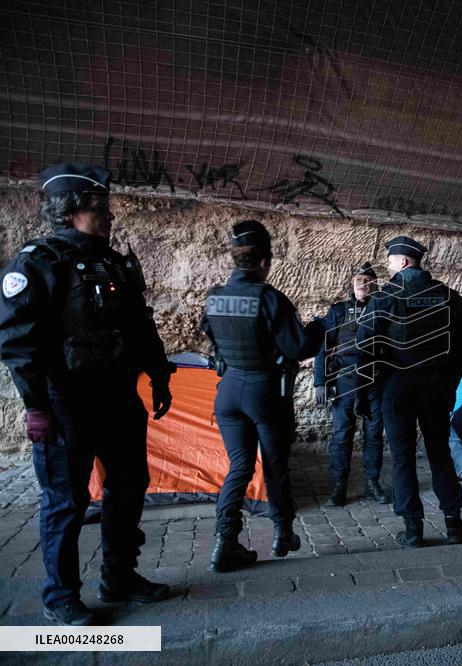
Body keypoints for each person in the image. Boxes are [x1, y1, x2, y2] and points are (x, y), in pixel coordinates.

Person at [0, 162, 174, 626]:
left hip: (118, 401)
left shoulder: (113, 261)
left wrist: (159, 376)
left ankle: (119, 577)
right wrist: (35, 405)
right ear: (72, 208)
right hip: (65, 407)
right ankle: (60, 597)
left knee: (128, 488)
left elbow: (140, 325)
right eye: (101, 206)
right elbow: (18, 342)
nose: (109, 214)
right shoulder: (37, 262)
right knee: (65, 502)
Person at [201, 220, 324, 572]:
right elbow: (299, 346)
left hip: (227, 394)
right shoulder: (269, 298)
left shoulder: (215, 298)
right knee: (275, 466)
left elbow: (214, 338)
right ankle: (283, 533)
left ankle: (226, 541)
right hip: (264, 394)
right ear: (265, 261)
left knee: (238, 467)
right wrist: (320, 325)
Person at [356, 235, 462, 547]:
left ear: (404, 262)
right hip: (435, 389)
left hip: (397, 390)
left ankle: (412, 530)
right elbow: (460, 350)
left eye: (391, 261)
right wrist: (448, 387)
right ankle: (453, 523)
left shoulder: (384, 298)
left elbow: (363, 348)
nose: (389, 266)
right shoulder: (450, 297)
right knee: (439, 453)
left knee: (402, 456)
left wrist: (371, 390)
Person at [314, 261, 388, 506]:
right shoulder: (339, 311)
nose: (363, 286)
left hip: (375, 381)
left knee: (374, 434)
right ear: (352, 284)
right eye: (359, 281)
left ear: (374, 285)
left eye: (368, 282)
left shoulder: (384, 310)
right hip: (346, 379)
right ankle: (339, 487)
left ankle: (371, 484)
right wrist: (320, 382)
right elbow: (324, 347)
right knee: (341, 435)